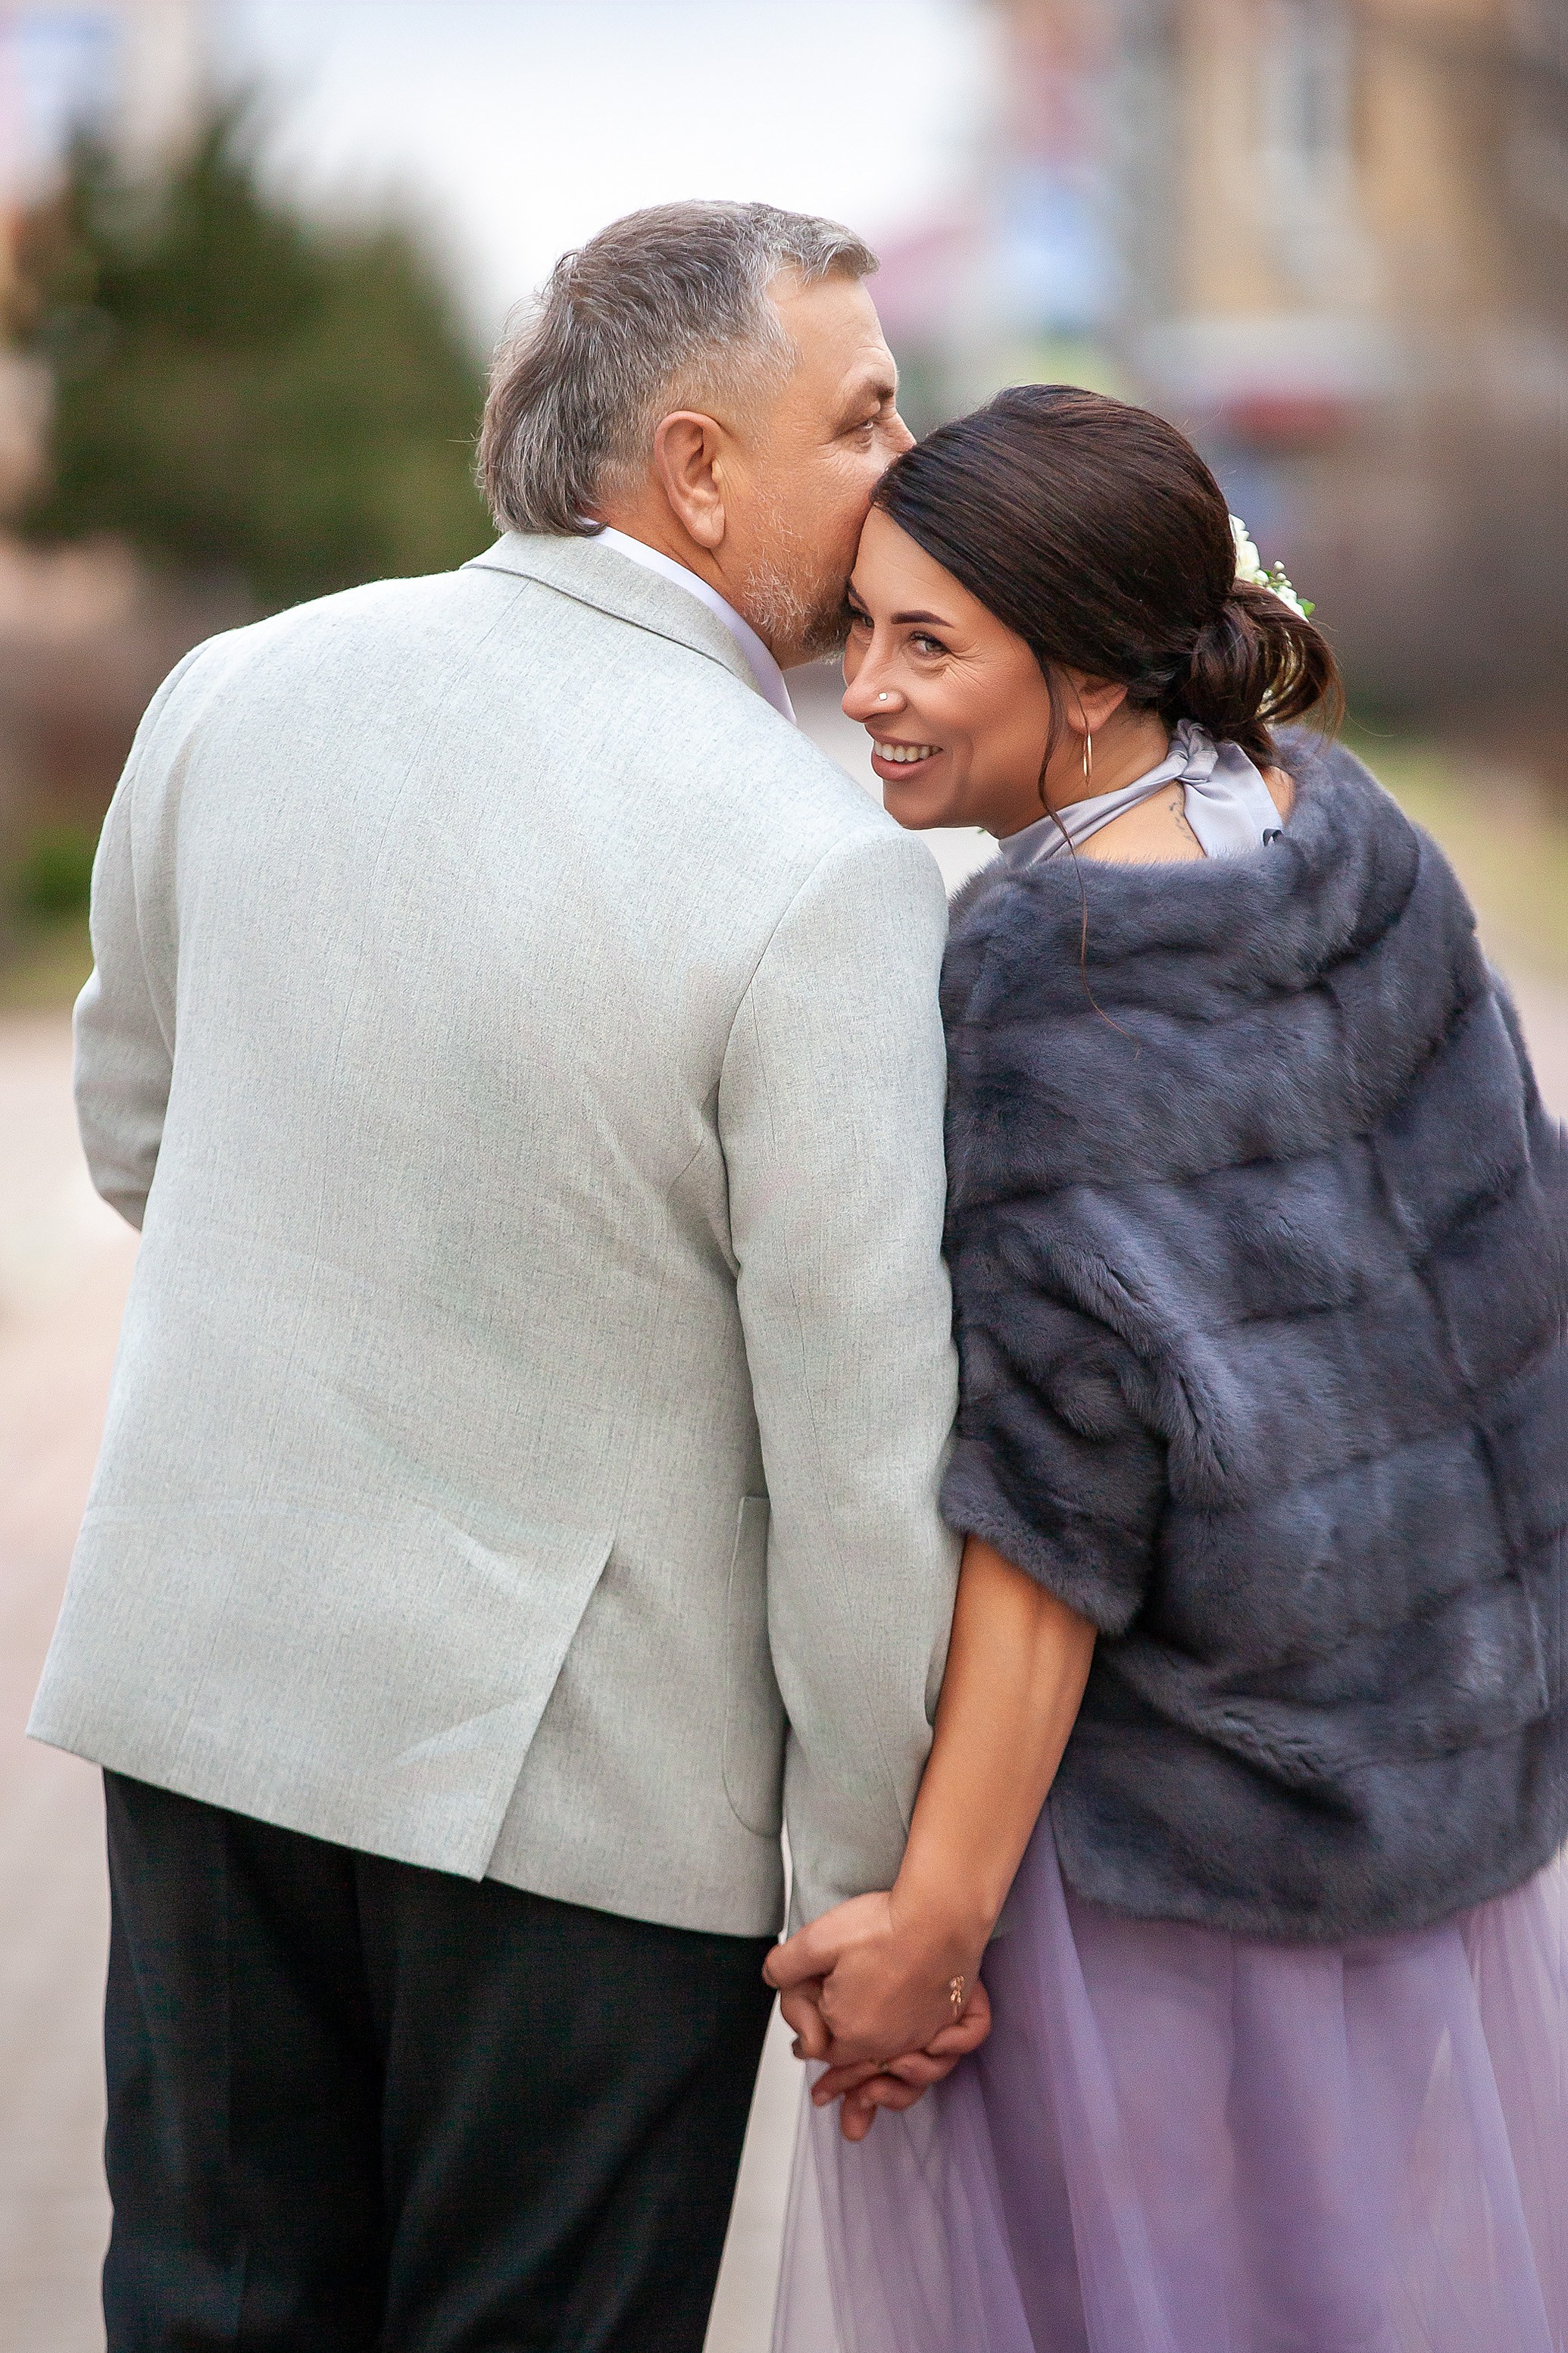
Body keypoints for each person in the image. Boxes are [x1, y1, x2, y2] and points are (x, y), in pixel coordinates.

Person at [28, 201, 968, 2353]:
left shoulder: (230, 691)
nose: (903, 464)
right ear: (698, 465)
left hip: (209, 1681)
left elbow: (132, 1134)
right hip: (589, 1802)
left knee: (206, 2315)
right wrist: (860, 1885)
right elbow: (861, 1452)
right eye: (864, 413)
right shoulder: (821, 867)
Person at [767, 386, 1568, 2352]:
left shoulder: (1053, 968)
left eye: (927, 641)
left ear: (1106, 671)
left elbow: (1056, 1515)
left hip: (1183, 1852)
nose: (866, 689)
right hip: (1432, 1812)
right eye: (856, 627)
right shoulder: (1349, 828)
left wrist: (931, 1925)